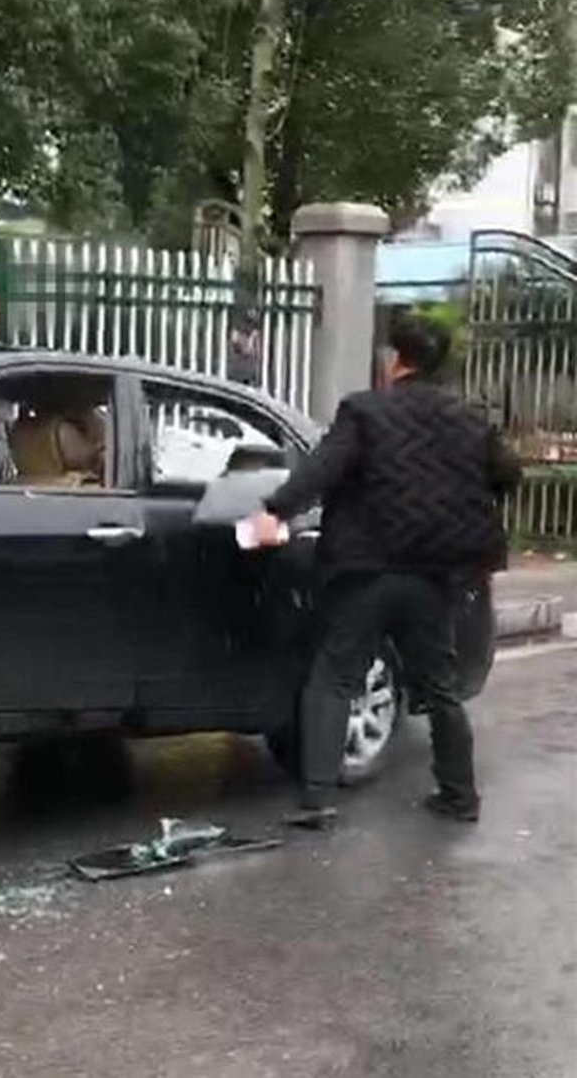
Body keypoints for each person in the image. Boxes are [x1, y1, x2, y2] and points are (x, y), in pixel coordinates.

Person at [247, 314, 521, 829]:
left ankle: (318, 800)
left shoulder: (365, 412)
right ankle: (460, 796)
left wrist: (274, 511)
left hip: (365, 571)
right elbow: (509, 474)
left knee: (334, 676)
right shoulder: (470, 419)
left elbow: (321, 470)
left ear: (395, 359)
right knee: (438, 686)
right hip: (434, 575)